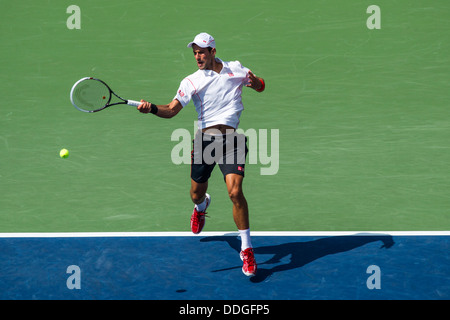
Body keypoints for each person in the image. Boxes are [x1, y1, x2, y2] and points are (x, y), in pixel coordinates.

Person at [137, 32, 265, 277]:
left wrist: (256, 82)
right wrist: (152, 108)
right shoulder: (191, 81)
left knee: (235, 192)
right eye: (194, 52)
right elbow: (172, 110)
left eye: (202, 51)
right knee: (195, 193)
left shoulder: (236, 69)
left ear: (213, 51)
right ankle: (201, 206)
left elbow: (260, 86)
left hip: (231, 140)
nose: (197, 56)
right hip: (205, 141)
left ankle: (247, 249)